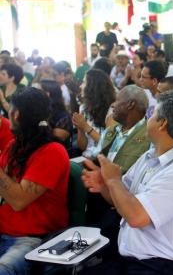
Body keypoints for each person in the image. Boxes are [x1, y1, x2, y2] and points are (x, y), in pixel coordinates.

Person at [81, 90, 173, 274]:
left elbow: (135, 217)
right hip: (133, 257)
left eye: (152, 114)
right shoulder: (150, 156)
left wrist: (113, 181)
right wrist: (104, 186)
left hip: (164, 264)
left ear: (162, 124)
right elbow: (123, 200)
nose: (148, 118)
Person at [0, 87, 70, 275]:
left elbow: (18, 200)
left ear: (16, 114)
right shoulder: (14, 145)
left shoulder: (52, 151)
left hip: (33, 239)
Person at [85, 85, 150, 249]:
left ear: (130, 105)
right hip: (100, 190)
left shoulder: (149, 134)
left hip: (124, 197)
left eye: (117, 101)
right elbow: (96, 154)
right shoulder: (112, 130)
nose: (113, 105)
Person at [73, 69, 116, 157]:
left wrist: (85, 127)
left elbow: (108, 145)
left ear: (93, 87)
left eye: (84, 82)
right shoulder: (83, 108)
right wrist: (80, 128)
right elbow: (82, 147)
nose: (80, 86)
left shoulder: (112, 111)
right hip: (87, 157)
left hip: (103, 159)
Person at [39, 79, 72, 145]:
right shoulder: (37, 110)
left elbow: (61, 137)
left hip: (56, 151)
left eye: (37, 91)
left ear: (47, 94)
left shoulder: (63, 116)